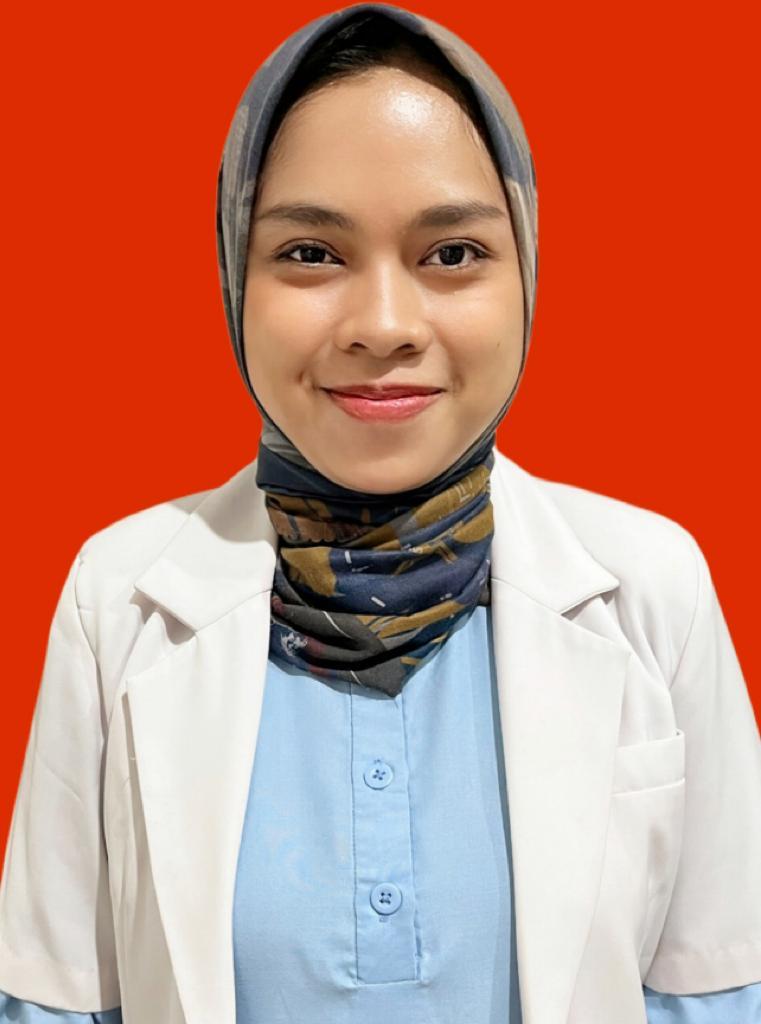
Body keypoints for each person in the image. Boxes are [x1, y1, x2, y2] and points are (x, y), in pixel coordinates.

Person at [1, 4, 760, 1022]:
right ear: (234, 272)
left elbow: (718, 989)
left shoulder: (651, 586)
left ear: (527, 270)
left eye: (451, 254)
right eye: (312, 253)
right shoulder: (118, 596)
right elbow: (52, 1002)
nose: (385, 326)